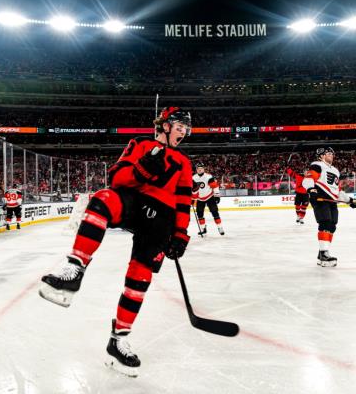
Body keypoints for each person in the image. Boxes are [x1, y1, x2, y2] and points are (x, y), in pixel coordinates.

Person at [39, 107, 193, 377]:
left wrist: (180, 234)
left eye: (186, 128)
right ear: (165, 125)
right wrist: (142, 171)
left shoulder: (185, 162)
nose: (183, 131)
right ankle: (74, 270)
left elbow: (183, 201)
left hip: (162, 220)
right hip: (136, 202)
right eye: (179, 125)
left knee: (139, 281)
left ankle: (118, 340)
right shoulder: (140, 144)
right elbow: (116, 179)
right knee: (103, 199)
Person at [302, 148, 356, 267]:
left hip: (331, 200)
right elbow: (308, 179)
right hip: (320, 198)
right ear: (321, 156)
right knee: (325, 223)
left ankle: (322, 254)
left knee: (332, 225)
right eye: (328, 154)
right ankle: (324, 253)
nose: (332, 156)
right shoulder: (317, 165)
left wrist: (350, 200)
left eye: (332, 154)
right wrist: (311, 190)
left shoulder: (335, 170)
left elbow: (336, 190)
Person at [192, 163, 224, 235]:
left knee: (215, 212)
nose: (199, 169)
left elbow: (215, 186)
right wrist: (192, 198)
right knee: (199, 214)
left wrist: (217, 196)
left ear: (203, 169)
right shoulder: (193, 178)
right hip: (199, 198)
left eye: (201, 168)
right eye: (198, 168)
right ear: (196, 170)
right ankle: (203, 229)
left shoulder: (208, 177)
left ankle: (220, 227)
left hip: (210, 197)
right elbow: (193, 190)